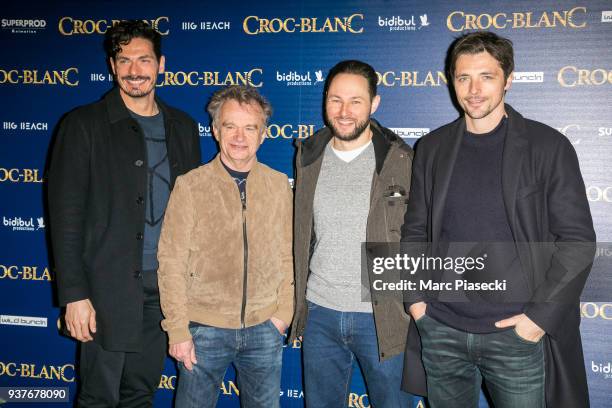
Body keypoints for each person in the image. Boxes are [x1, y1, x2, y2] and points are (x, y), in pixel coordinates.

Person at [401, 31, 595, 408]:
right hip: (441, 328)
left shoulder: (548, 146)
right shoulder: (432, 148)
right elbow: (415, 230)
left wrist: (536, 319)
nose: (473, 90)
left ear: (508, 79)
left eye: (486, 76)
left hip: (517, 335)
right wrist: (417, 303)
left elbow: (577, 242)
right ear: (451, 81)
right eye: (463, 78)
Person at [47, 20, 201, 407]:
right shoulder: (83, 125)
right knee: (99, 397)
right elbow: (65, 218)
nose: (135, 70)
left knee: (141, 394)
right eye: (125, 60)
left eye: (144, 59)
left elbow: (192, 215)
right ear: (112, 66)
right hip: (104, 289)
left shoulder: (182, 126)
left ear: (161, 64)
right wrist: (75, 295)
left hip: (164, 288)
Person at [157, 85, 294, 408]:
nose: (239, 137)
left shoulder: (278, 185)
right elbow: (171, 260)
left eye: (250, 128)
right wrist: (178, 329)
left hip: (265, 328)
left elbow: (288, 255)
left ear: (263, 134)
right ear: (215, 130)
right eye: (230, 126)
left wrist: (283, 315)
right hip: (203, 330)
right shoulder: (191, 186)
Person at [289, 60, 415, 407]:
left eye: (355, 101)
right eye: (335, 100)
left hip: (382, 316)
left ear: (374, 104)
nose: (344, 112)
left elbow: (421, 237)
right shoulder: (308, 156)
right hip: (320, 314)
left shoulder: (401, 160)